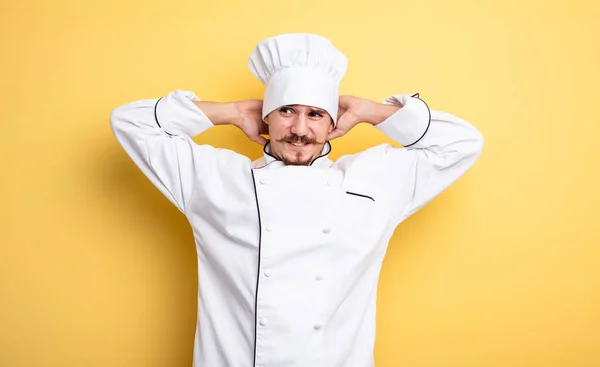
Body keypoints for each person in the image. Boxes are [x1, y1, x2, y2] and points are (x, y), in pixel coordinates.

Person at [110, 33, 484, 367]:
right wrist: (232, 112)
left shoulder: (377, 179)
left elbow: (463, 143)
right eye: (286, 111)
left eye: (316, 114)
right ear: (265, 117)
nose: (300, 130)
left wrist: (372, 112)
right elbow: (130, 121)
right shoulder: (215, 178)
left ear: (333, 121)